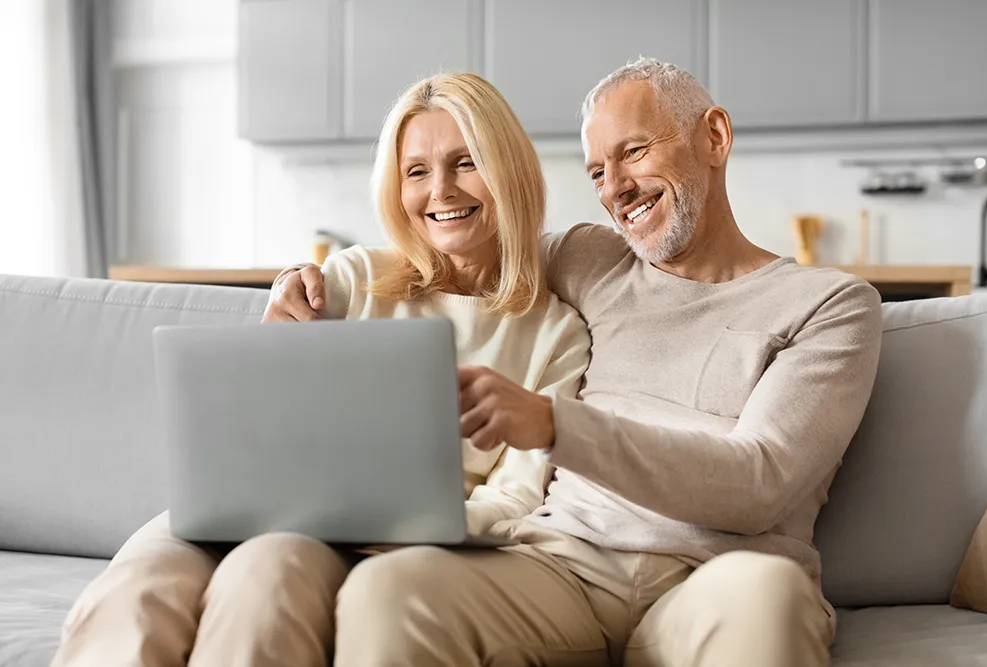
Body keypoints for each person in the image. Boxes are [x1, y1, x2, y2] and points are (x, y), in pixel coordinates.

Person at [269, 59, 883, 667]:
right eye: (596, 171)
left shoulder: (830, 305)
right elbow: (460, 242)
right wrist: (312, 283)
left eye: (635, 151)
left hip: (720, 582)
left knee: (770, 597)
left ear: (714, 137)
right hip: (561, 570)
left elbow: (760, 484)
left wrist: (557, 426)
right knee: (391, 588)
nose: (615, 188)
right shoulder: (590, 258)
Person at [51, 72, 591, 667]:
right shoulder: (354, 276)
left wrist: (418, 525)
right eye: (416, 171)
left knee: (265, 579)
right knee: (134, 593)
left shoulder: (555, 334)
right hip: (248, 503)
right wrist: (275, 328)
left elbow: (516, 496)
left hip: (372, 543)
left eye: (466, 163)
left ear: (509, 171)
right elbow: (254, 413)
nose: (440, 190)